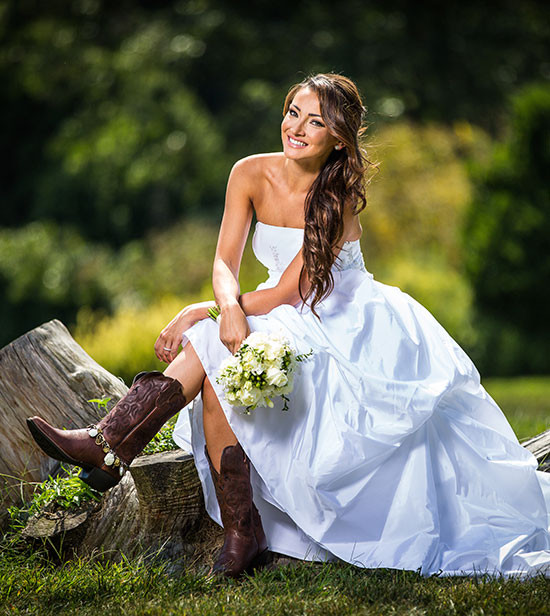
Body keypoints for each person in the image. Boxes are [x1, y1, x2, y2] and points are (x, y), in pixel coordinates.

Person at [27, 73, 550, 579]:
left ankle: (135, 462)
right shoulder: (248, 172)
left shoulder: (336, 195)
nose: (296, 128)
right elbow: (222, 265)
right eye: (292, 113)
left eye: (315, 122)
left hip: (339, 312)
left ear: (339, 139)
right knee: (217, 346)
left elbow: (291, 291)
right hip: (277, 307)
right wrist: (223, 303)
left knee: (212, 348)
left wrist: (207, 313)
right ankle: (159, 478)